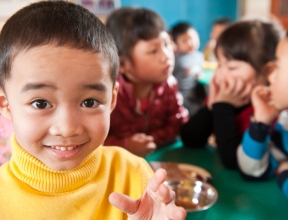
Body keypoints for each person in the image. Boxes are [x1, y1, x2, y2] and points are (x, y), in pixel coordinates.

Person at [0, 2, 187, 219]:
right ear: (6, 105)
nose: (68, 128)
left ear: (111, 99)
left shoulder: (134, 175)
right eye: (40, 103)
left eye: (89, 102)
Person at [181, 19, 283, 169]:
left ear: (267, 72)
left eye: (232, 67)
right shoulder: (224, 96)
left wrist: (223, 106)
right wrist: (211, 106)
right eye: (220, 65)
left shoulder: (271, 112)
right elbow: (190, 139)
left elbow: (235, 161)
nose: (221, 74)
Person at [104, 8, 189, 157]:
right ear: (122, 64)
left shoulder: (169, 84)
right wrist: (125, 146)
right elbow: (92, 140)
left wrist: (149, 142)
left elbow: (177, 124)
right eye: (153, 51)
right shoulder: (107, 93)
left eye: (167, 44)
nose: (166, 56)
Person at [237, 35, 288, 197]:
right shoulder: (284, 123)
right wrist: (261, 122)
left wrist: (284, 176)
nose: (270, 76)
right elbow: (253, 171)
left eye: (278, 67)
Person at [170, 22, 205, 116]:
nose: (190, 43)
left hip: (195, 96)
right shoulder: (175, 58)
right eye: (184, 41)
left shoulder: (199, 56)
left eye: (192, 38)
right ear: (177, 43)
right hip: (181, 99)